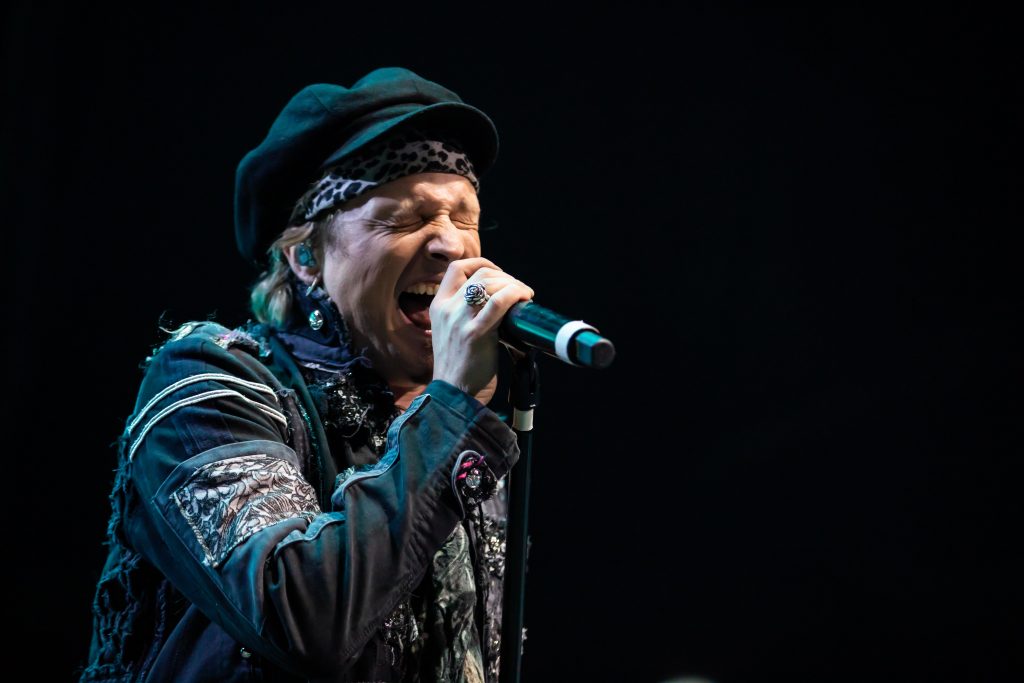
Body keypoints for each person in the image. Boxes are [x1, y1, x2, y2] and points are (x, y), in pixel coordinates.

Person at [80, 67, 535, 683]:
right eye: (405, 219)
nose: (451, 246)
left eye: (465, 217)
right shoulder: (209, 382)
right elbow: (303, 618)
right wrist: (451, 410)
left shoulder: (451, 423)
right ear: (305, 257)